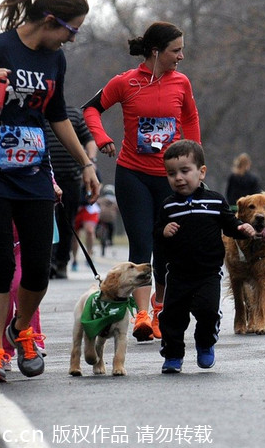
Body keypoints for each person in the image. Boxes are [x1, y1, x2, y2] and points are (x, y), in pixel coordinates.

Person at [0, 0, 99, 383]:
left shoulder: (54, 60)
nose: (72, 39)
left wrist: (86, 163)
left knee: (36, 267)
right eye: (72, 30)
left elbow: (57, 115)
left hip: (33, 175)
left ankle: (22, 328)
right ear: (51, 20)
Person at [83, 21, 201, 342]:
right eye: (176, 50)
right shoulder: (126, 83)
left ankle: (159, 307)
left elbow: (190, 117)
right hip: (132, 174)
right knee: (142, 246)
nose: (181, 56)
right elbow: (90, 110)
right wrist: (102, 137)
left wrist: (194, 160)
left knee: (167, 248)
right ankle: (143, 316)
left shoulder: (182, 83)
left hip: (170, 178)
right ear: (155, 51)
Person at [155, 140, 256, 373]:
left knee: (208, 311)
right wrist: (163, 231)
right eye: (171, 173)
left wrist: (242, 228)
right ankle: (172, 355)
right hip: (178, 273)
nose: (178, 178)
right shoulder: (168, 206)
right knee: (172, 317)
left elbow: (229, 225)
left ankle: (205, 343)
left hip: (208, 273)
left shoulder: (215, 200)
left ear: (201, 172)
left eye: (184, 171)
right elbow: (157, 236)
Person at [47, 106, 97, 279]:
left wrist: (90, 162)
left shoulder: (74, 115)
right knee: (48, 221)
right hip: (46, 176)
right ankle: (49, 262)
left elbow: (89, 140)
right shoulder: (40, 111)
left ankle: (62, 262)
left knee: (67, 221)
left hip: (72, 177)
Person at [70, 199, 100, 271]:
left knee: (90, 231)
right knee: (75, 235)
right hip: (75, 206)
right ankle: (74, 259)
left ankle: (89, 256)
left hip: (89, 207)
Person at [96, 184, 119, 256]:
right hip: (107, 219)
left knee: (108, 228)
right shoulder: (114, 201)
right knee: (111, 228)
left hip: (102, 219)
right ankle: (110, 239)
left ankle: (106, 238)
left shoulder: (101, 200)